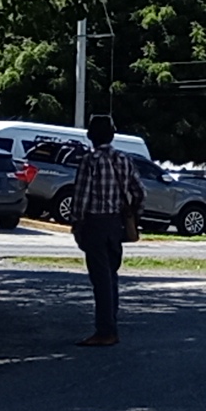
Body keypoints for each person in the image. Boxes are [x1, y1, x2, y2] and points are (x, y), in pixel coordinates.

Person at [70, 114, 143, 347]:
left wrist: (76, 223)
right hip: (115, 224)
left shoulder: (90, 161)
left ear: (90, 136)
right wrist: (133, 214)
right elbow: (139, 191)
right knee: (111, 277)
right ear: (111, 135)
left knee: (100, 279)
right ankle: (110, 324)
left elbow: (81, 196)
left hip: (95, 224)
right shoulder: (123, 159)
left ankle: (105, 331)